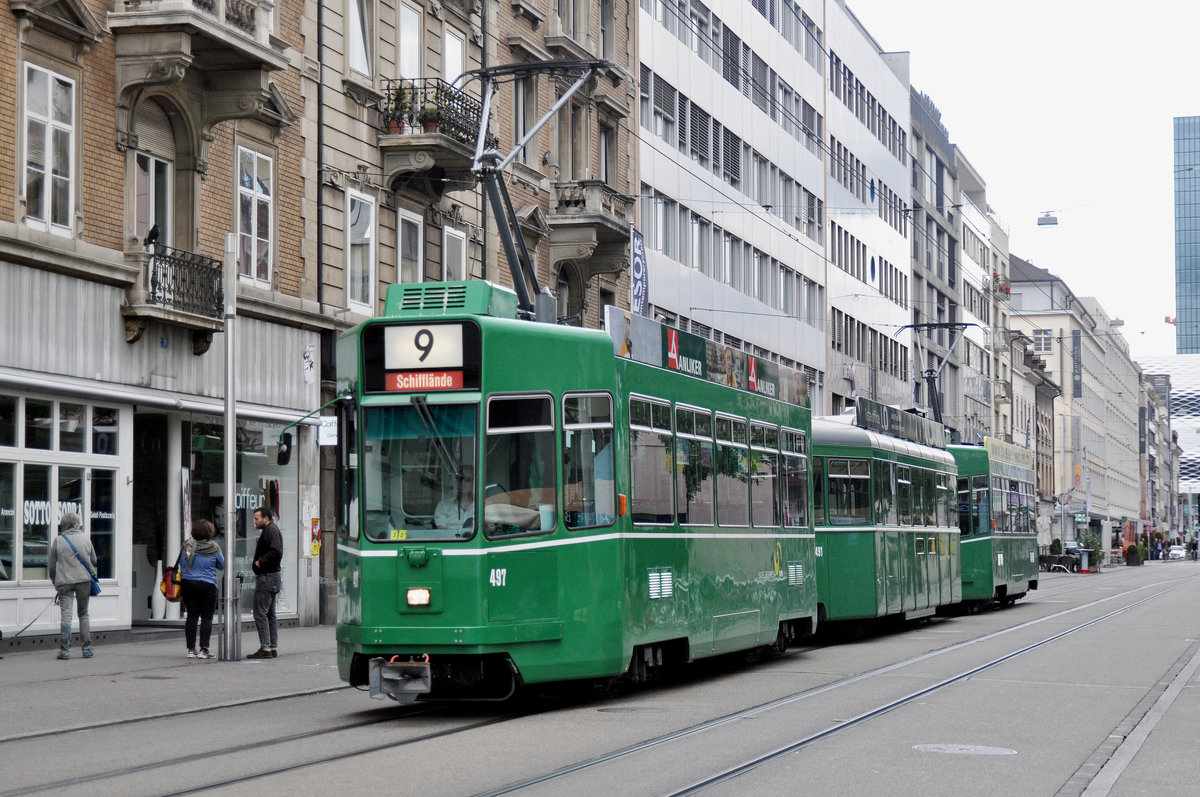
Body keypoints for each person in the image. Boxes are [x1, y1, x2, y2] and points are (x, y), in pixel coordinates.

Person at [47, 512, 96, 660]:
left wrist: (54, 581)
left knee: (66, 615)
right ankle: (87, 649)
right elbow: (93, 560)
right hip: (84, 581)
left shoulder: (58, 540)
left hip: (64, 582)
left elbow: (51, 565)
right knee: (84, 613)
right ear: (77, 524)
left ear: (63, 525)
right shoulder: (86, 539)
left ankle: (65, 651)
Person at [179, 519, 224, 659]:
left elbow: (182, 563)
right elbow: (222, 565)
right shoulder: (214, 547)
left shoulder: (187, 545)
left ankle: (191, 650)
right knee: (207, 617)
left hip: (188, 584)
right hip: (207, 585)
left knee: (192, 616)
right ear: (210, 532)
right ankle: (204, 649)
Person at [247, 506, 283, 659]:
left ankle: (266, 647)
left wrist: (260, 561)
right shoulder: (272, 529)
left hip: (267, 576)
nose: (255, 521)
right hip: (273, 575)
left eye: (257, 518)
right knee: (270, 613)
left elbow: (276, 550)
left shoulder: (270, 531)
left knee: (260, 613)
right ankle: (271, 646)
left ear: (265, 518)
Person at [435, 467, 475, 532]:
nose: (462, 483)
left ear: (474, 482)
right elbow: (441, 534)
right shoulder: (443, 506)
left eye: (467, 480)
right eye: (460, 479)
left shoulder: (482, 506)